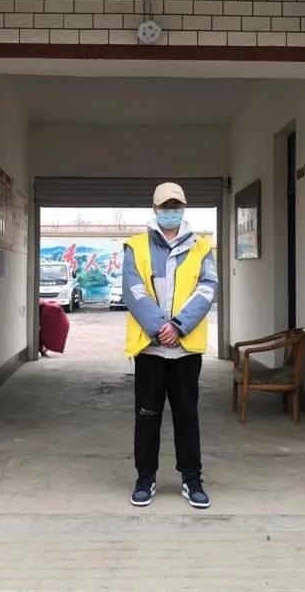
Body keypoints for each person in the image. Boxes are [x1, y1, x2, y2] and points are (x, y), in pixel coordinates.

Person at [122, 182, 218, 509]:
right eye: (165, 206)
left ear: (184, 207)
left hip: (184, 349)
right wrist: (159, 328)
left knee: (187, 415)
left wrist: (178, 326)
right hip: (150, 349)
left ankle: (192, 478)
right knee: (147, 415)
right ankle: (145, 477)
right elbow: (133, 290)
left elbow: (207, 289)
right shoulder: (136, 246)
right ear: (155, 209)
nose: (170, 211)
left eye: (176, 206)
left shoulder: (202, 247)